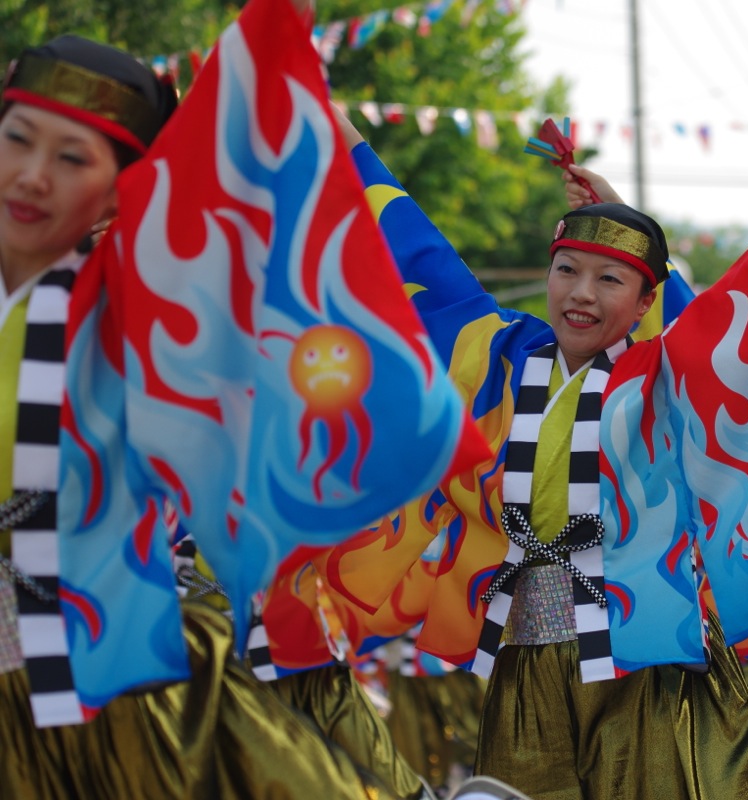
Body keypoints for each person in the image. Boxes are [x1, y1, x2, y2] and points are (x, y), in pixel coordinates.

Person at [332, 103, 748, 798]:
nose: (581, 295)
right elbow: (413, 253)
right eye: (567, 270)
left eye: (610, 280)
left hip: (645, 653)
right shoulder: (497, 354)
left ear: (644, 300)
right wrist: (331, 122)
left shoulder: (665, 375)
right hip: (529, 652)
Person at [0, 3, 437, 797]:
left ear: (115, 200)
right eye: (17, 139)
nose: (33, 175)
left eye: (73, 158)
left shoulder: (149, 321)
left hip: (111, 678)